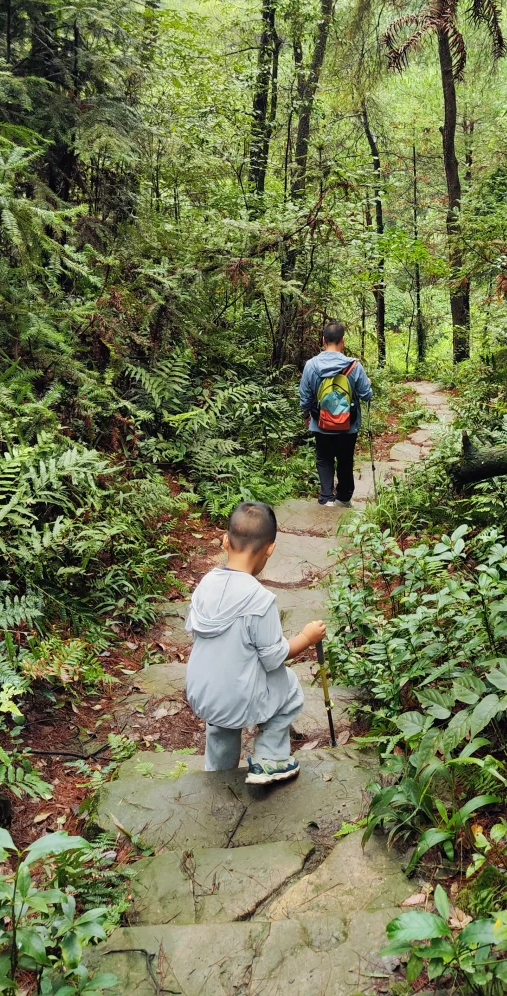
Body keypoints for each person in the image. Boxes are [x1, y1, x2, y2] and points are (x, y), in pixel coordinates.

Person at [184, 500, 326, 784]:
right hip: (238, 698)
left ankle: (218, 773)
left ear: (225, 541)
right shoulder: (259, 600)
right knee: (289, 688)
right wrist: (307, 638)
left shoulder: (204, 585)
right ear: (270, 549)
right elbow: (274, 658)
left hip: (204, 695)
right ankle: (270, 760)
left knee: (223, 712)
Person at [298, 319, 373, 506]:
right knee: (345, 459)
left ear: (323, 340)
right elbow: (366, 395)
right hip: (348, 424)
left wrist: (306, 416)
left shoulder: (311, 366)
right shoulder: (354, 366)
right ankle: (344, 497)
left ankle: (326, 498)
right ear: (343, 340)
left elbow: (305, 397)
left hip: (321, 422)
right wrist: (367, 385)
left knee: (324, 458)